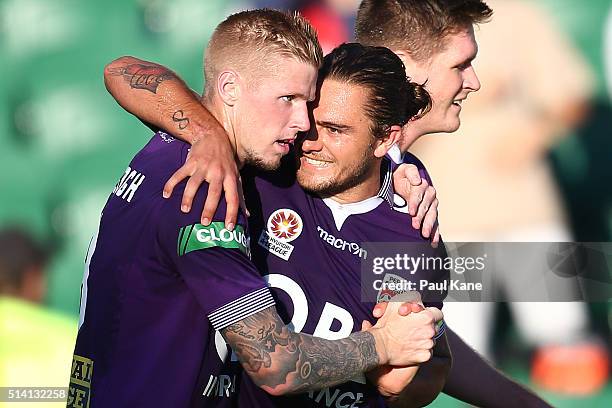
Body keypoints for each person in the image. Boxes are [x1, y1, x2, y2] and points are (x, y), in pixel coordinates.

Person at [104, 1, 553, 406]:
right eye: (461, 64)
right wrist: (209, 135)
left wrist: (429, 353)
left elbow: (410, 373)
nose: (305, 130)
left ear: (385, 138)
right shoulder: (255, 161)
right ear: (407, 69)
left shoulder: (411, 205)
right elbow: (122, 70)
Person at [70, 9, 443, 408]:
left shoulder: (180, 148)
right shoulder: (204, 189)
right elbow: (276, 365)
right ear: (230, 88)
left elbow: (122, 70)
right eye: (289, 100)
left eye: (308, 103)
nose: (303, 124)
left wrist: (404, 169)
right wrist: (382, 344)